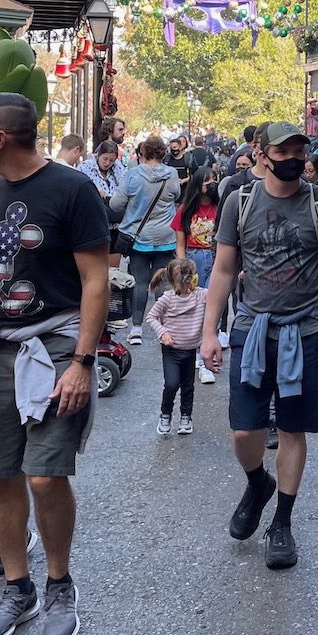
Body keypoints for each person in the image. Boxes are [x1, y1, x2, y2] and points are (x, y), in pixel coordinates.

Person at [0, 93, 110, 635]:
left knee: (44, 474)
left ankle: (61, 586)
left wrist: (82, 363)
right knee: (1, 474)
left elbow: (96, 280)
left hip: (57, 344)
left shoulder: (72, 190)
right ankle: (18, 589)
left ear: (1, 139)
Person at [198, 123, 318, 572]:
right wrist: (210, 332)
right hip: (251, 329)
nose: (293, 157)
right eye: (283, 149)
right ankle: (256, 483)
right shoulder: (238, 202)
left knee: (291, 429)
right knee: (244, 431)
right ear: (261, 154)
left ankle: (282, 520)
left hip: (304, 332)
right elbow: (224, 270)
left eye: (299, 149)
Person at [110, 136, 181, 345]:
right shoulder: (172, 174)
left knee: (140, 282)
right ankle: (164, 327)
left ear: (142, 153)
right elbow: (176, 195)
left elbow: (115, 204)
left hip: (138, 236)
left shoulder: (133, 174)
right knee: (162, 282)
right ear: (163, 153)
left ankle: (136, 328)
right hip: (166, 236)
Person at [146, 257, 209, 435]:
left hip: (190, 350)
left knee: (188, 386)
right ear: (187, 279)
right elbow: (151, 317)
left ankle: (186, 417)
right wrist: (163, 332)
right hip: (171, 350)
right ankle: (165, 414)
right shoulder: (168, 299)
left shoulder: (199, 295)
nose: (196, 278)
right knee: (172, 384)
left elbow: (216, 293)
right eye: (194, 275)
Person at [173, 169, 222, 380]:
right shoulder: (185, 210)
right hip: (194, 259)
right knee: (193, 306)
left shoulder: (220, 208)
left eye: (213, 179)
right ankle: (192, 351)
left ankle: (205, 359)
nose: (211, 184)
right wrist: (184, 268)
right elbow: (180, 243)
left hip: (216, 259)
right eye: (206, 181)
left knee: (212, 306)